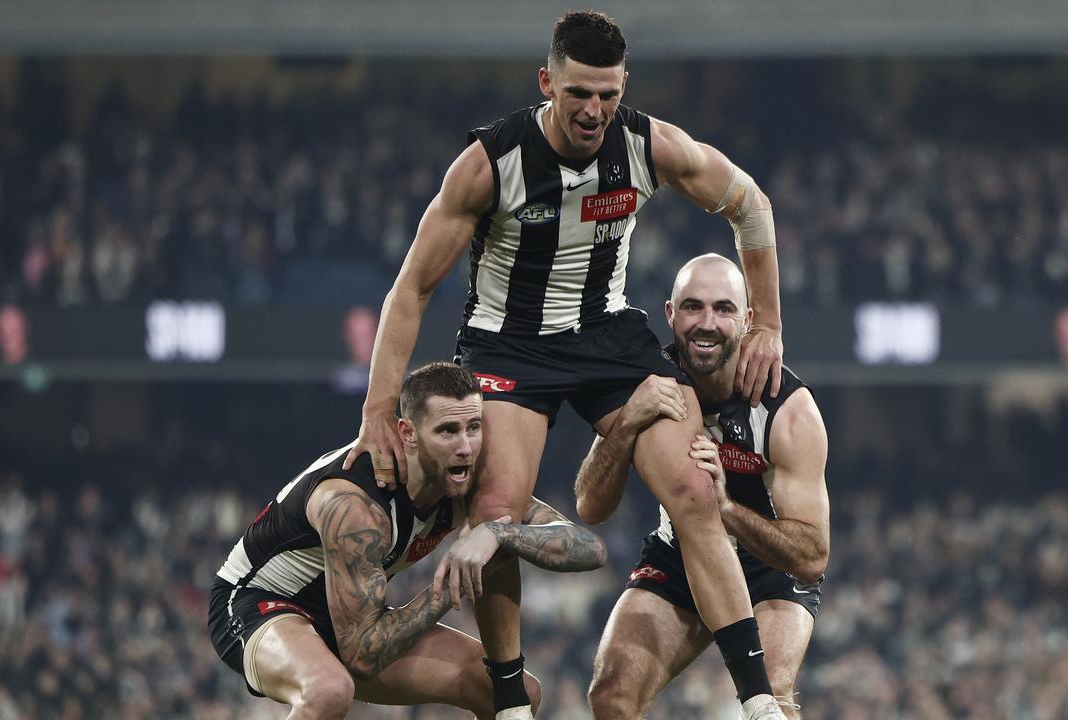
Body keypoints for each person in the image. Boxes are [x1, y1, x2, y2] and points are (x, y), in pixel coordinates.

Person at [344, 11, 789, 718]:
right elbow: (412, 289)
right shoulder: (492, 163)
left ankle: (760, 700)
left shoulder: (650, 145)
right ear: (547, 81)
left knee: (697, 490)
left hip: (609, 335)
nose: (593, 110)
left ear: (623, 88)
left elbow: (753, 208)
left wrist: (767, 322)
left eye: (607, 95)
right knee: (495, 510)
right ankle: (510, 703)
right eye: (578, 92)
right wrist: (376, 412)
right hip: (508, 346)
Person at [209, 362, 607, 720]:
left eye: (474, 427)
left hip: (352, 618)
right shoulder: (355, 505)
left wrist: (497, 531)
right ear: (408, 434)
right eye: (448, 431)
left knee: (515, 695)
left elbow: (589, 549)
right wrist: (445, 587)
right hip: (259, 604)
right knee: (328, 690)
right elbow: (363, 656)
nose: (465, 447)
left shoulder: (467, 481)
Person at [576, 254, 830, 719]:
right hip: (678, 555)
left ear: (748, 319)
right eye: (692, 307)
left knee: (771, 694)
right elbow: (590, 504)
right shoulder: (648, 382)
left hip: (767, 567)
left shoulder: (787, 409)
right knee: (611, 696)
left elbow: (812, 558)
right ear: (671, 315)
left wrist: (728, 508)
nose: (706, 323)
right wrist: (628, 419)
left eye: (723, 309)